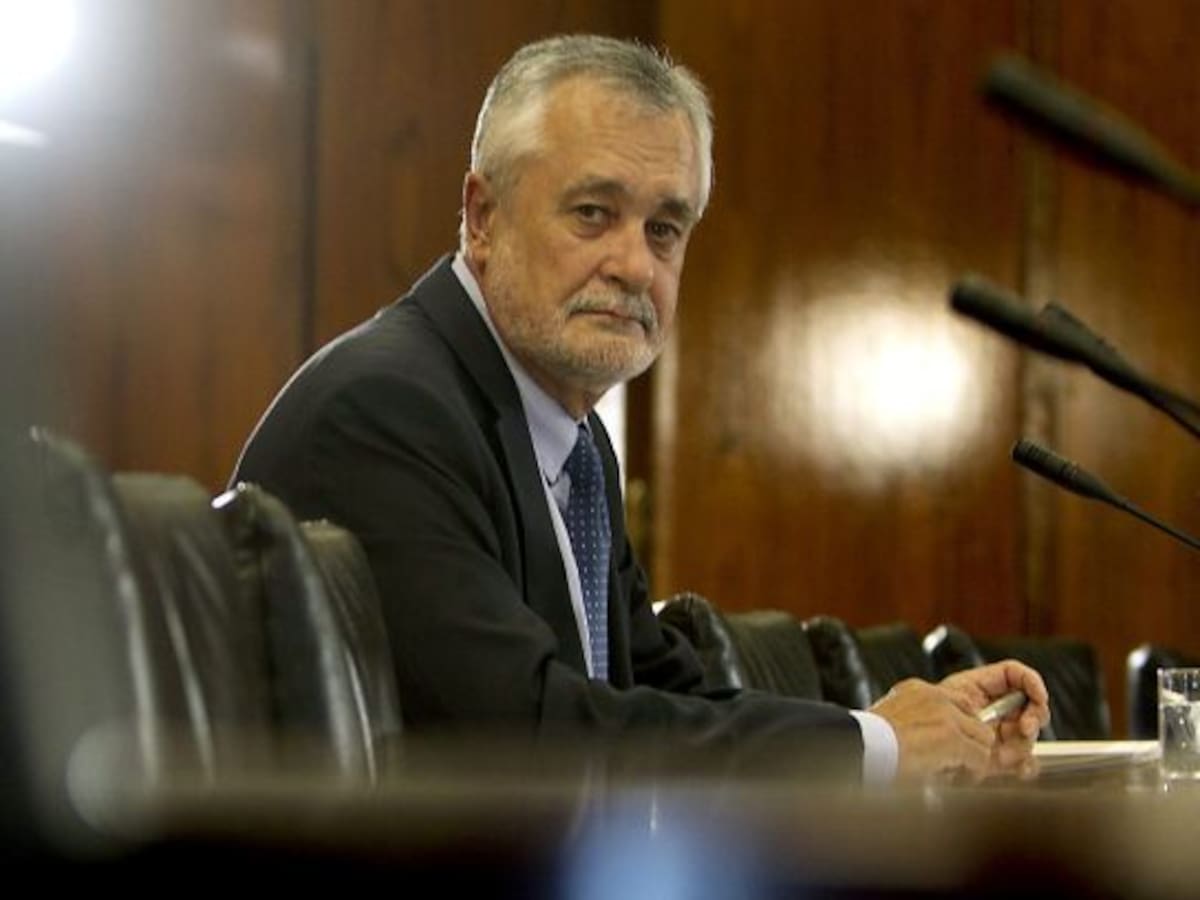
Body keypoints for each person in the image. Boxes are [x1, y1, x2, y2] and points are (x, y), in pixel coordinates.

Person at [233, 34, 1049, 782]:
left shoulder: (572, 440)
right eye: (593, 213)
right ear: (483, 218)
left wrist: (909, 730)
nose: (634, 265)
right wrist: (878, 746)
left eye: (664, 229)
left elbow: (666, 695)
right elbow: (524, 737)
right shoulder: (386, 411)